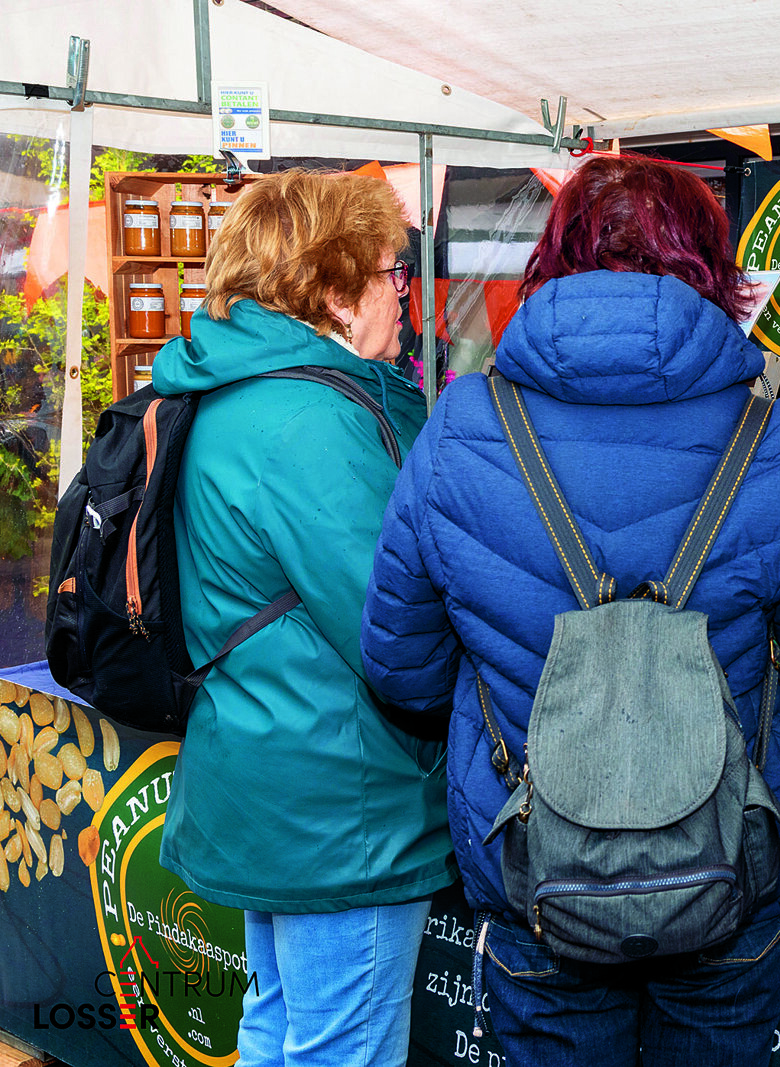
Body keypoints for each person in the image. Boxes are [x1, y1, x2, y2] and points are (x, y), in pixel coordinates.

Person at [360, 154, 780, 1066]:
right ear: (710, 267)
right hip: (727, 867)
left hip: (535, 867)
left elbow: (399, 671)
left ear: (553, 256)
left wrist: (520, 682)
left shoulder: (459, 430)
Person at [154, 170, 452, 1067]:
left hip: (273, 773)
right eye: (390, 272)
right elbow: (393, 624)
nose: (402, 293)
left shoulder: (241, 389)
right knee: (337, 1049)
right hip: (339, 807)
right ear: (332, 292)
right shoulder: (309, 420)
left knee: (279, 1029)